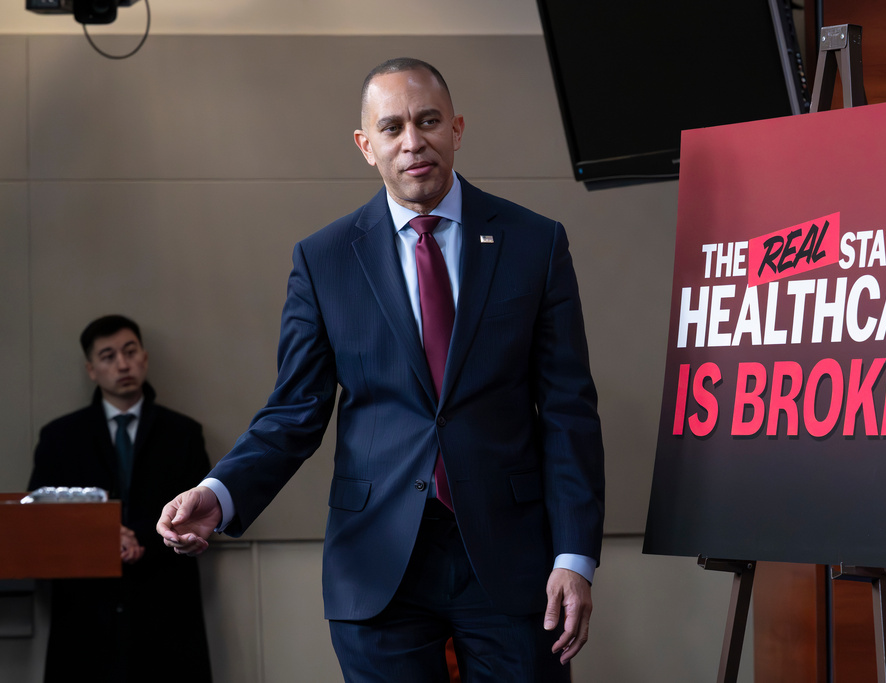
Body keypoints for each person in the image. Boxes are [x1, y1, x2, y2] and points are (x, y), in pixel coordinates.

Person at [158, 57, 604, 682]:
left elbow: (567, 411)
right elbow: (295, 411)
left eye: (428, 121)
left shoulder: (536, 243)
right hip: (377, 565)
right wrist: (219, 493)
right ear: (367, 147)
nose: (413, 141)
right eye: (392, 127)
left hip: (512, 559)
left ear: (457, 128)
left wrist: (576, 556)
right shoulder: (323, 259)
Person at [28, 315, 213, 683]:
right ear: (91, 369)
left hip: (165, 607)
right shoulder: (59, 436)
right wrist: (102, 538)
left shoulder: (184, 434)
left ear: (144, 357)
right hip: (85, 612)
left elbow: (203, 514)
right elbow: (39, 522)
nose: (123, 364)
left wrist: (138, 538)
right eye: (108, 356)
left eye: (130, 352)